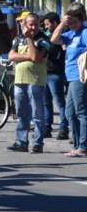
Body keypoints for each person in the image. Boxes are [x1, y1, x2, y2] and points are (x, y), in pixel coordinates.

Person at [7, 13, 50, 153]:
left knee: (37, 114)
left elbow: (36, 57)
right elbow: (11, 56)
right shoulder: (18, 39)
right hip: (20, 80)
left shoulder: (43, 39)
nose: (33, 27)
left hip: (36, 81)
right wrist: (28, 56)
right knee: (21, 113)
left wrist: (30, 40)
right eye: (30, 24)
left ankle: (38, 143)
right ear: (24, 25)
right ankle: (21, 142)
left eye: (36, 24)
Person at [50, 2, 87, 157]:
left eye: (72, 21)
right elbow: (53, 40)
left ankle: (83, 147)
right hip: (70, 77)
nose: (70, 24)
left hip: (80, 76)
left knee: (81, 111)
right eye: (69, 22)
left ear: (80, 19)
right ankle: (78, 145)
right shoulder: (71, 34)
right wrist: (62, 24)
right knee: (70, 113)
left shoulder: (85, 32)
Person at [42, 12, 68, 140]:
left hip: (55, 73)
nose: (46, 27)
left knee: (60, 103)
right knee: (46, 103)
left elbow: (51, 49)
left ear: (55, 23)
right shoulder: (46, 35)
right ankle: (47, 128)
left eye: (48, 24)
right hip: (45, 73)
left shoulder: (60, 36)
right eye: (45, 25)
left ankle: (64, 129)